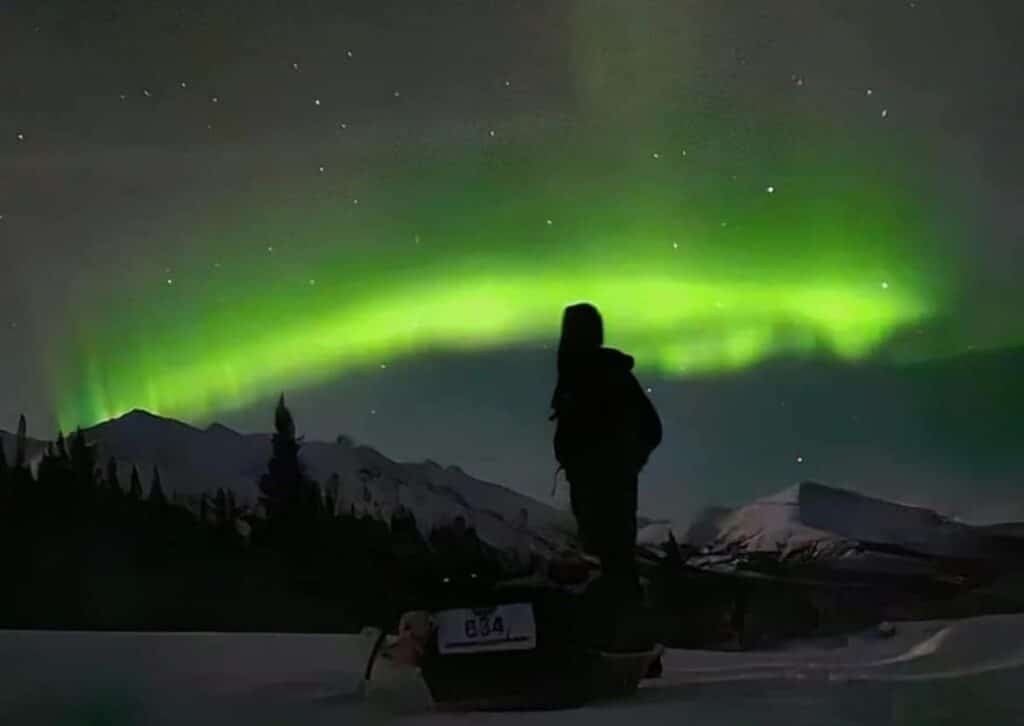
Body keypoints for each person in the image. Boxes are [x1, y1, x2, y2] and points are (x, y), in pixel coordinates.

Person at [549, 303, 662, 611]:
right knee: (600, 562)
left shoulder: (610, 377)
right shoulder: (574, 379)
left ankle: (624, 638)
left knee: (614, 562)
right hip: (589, 488)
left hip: (610, 490)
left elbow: (651, 429)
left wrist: (621, 465)